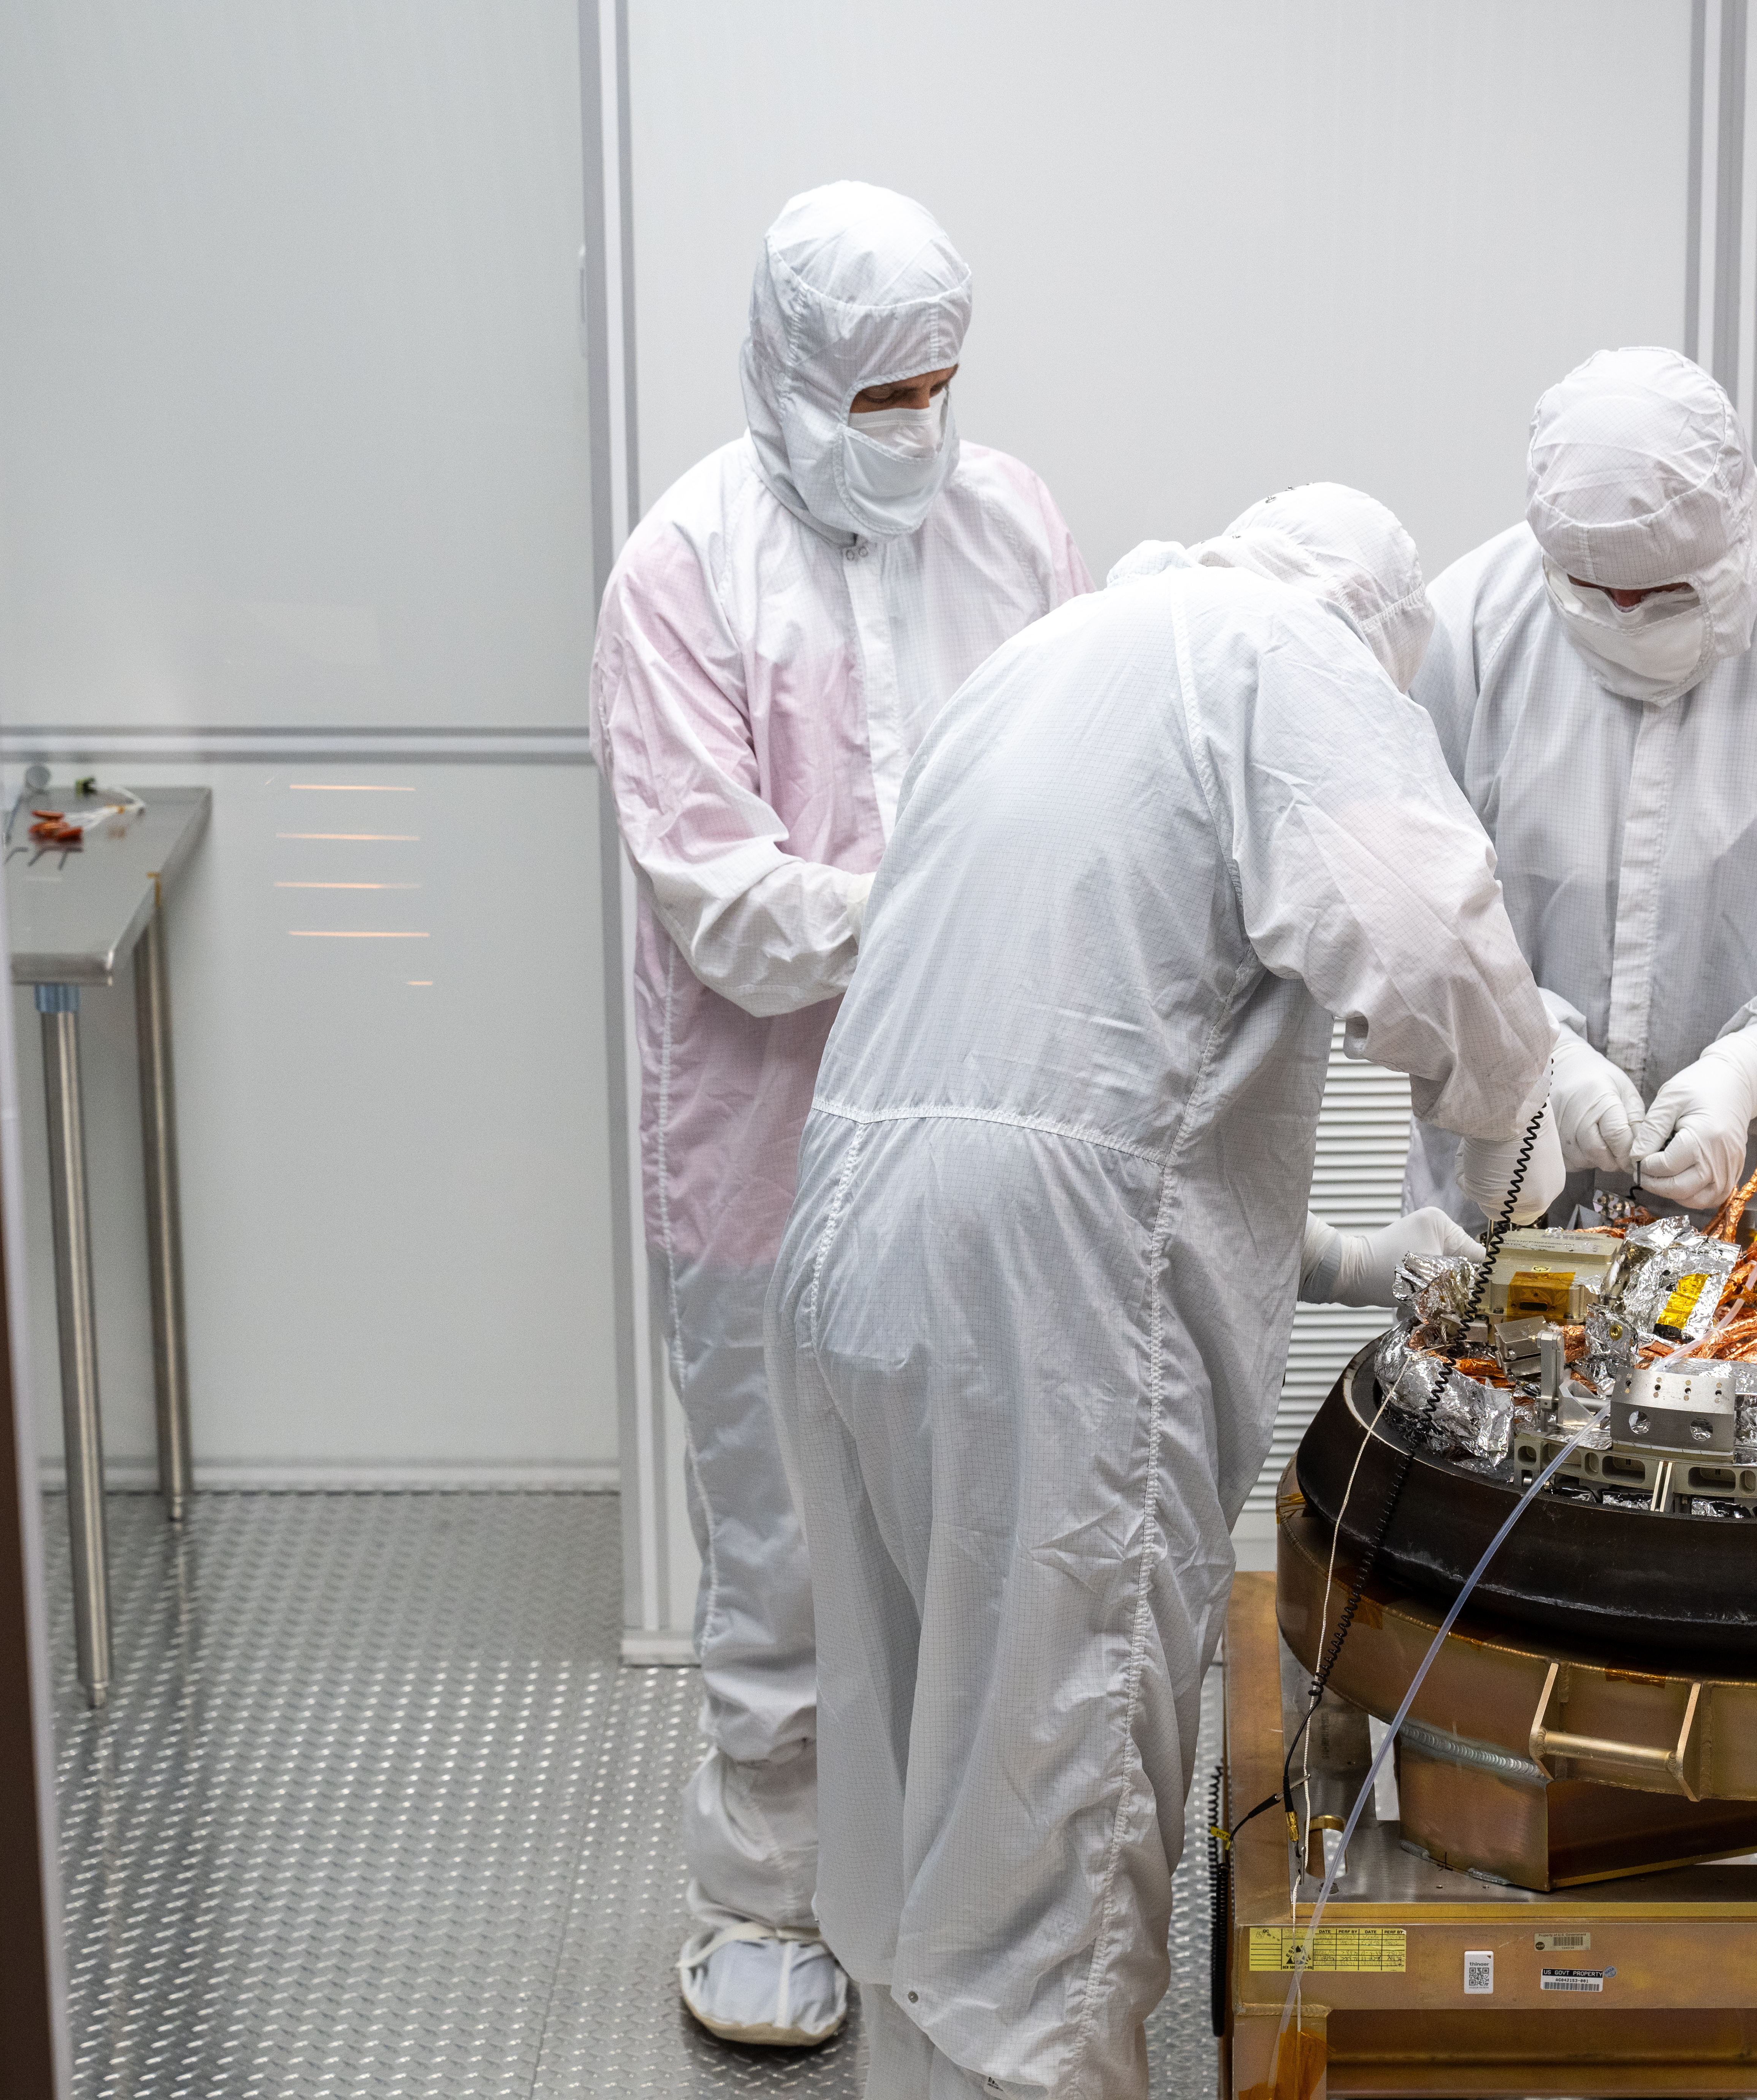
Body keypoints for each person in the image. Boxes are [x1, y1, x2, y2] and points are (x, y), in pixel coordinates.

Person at [767, 486, 1559, 2100]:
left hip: (857, 1232)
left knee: (928, 1772)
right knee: (1054, 1815)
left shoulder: (1056, 654)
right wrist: (1516, 1158)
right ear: (1375, 637)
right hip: (1033, 1304)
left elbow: (1102, 1063)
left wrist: (1345, 1255)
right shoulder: (1291, 657)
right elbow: (1435, 950)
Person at [590, 179, 1090, 2049]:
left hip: (983, 1140)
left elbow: (1080, 778)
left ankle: (960, 1908)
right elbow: (718, 898)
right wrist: (943, 912)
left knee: (979, 1537)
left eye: (936, 388)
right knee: (788, 1555)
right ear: (787, 375)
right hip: (765, 1155)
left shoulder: (1017, 526)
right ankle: (760, 1902)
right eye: (880, 396)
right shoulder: (681, 568)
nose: (919, 429)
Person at [1406, 347, 1757, 1233]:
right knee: (1497, 1369)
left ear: (1736, 522)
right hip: (1520, 1211)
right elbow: (1421, 920)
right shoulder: (1469, 626)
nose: (1627, 616)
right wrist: (1535, 1054)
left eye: (1662, 594)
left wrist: (1754, 1068)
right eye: (1598, 593)